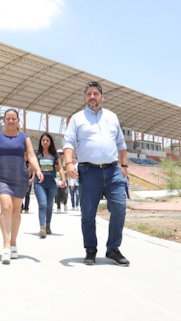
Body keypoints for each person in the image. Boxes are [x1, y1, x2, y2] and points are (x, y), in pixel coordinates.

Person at [63, 81, 130, 266]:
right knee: (88, 213)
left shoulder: (112, 117)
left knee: (119, 208)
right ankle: (90, 249)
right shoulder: (77, 118)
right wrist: (69, 163)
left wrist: (124, 166)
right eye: (88, 94)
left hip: (113, 170)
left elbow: (121, 144)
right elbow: (68, 143)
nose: (92, 97)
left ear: (102, 97)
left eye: (95, 93)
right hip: (88, 171)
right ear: (85, 98)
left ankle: (113, 249)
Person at [0, 109, 42, 264]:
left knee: (16, 210)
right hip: (2, 177)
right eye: (8, 119)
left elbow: (31, 156)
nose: (10, 121)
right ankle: (6, 245)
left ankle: (14, 242)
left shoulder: (24, 137)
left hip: (19, 178)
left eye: (13, 119)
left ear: (18, 120)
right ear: (4, 120)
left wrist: (37, 169)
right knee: (6, 207)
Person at [33, 133, 65, 238]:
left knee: (49, 205)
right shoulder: (37, 154)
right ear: (40, 142)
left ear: (50, 142)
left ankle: (48, 225)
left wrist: (63, 180)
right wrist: (31, 178)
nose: (45, 142)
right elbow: (32, 168)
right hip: (39, 183)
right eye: (43, 140)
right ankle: (42, 228)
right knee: (43, 204)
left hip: (52, 183)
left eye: (47, 140)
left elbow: (60, 168)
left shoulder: (54, 155)